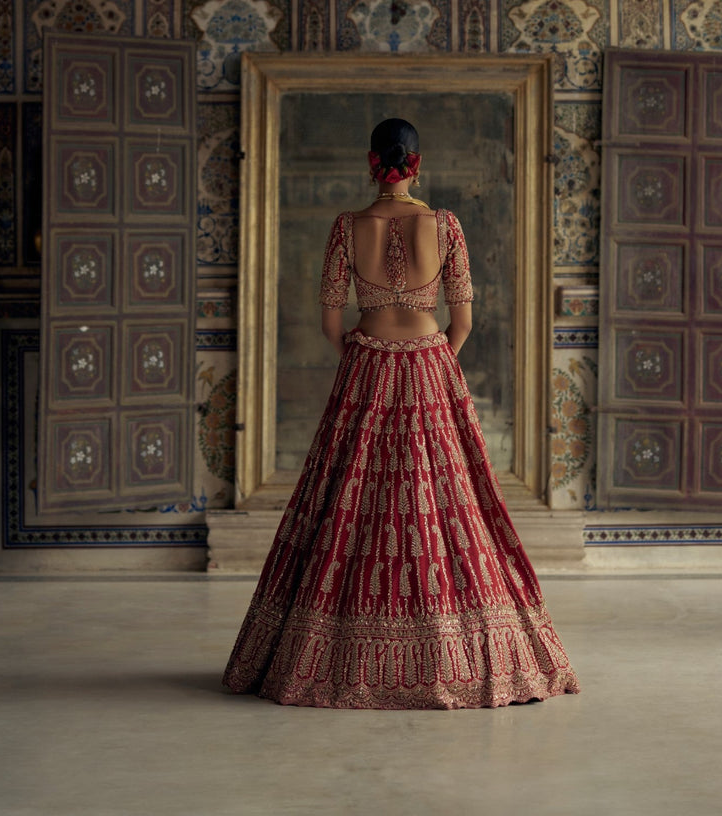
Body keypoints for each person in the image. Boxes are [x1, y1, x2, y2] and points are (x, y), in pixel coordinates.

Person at [222, 118, 580, 709]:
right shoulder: (445, 227)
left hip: (365, 364)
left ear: (372, 161)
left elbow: (330, 324)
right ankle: (459, 658)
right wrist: (429, 362)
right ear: (417, 163)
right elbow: (461, 322)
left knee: (347, 504)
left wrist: (367, 358)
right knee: (443, 508)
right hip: (430, 365)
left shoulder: (347, 226)